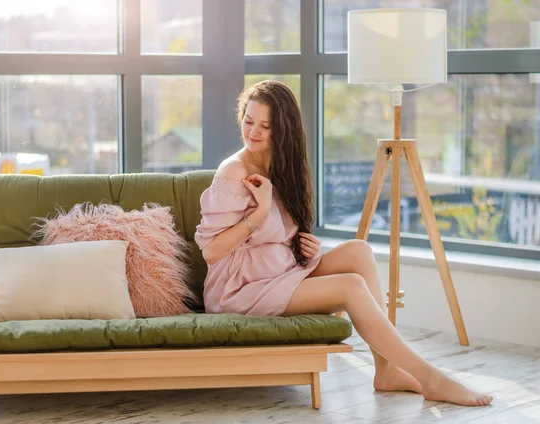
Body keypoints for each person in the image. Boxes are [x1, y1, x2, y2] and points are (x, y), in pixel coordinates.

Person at [194, 80, 493, 407]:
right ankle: (431, 378)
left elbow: (277, 234)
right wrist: (261, 210)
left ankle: (386, 370)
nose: (253, 131)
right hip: (239, 289)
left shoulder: (282, 164)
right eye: (248, 121)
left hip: (279, 273)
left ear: (283, 130)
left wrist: (302, 245)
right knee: (351, 286)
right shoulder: (233, 171)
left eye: (265, 126)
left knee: (359, 251)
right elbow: (212, 251)